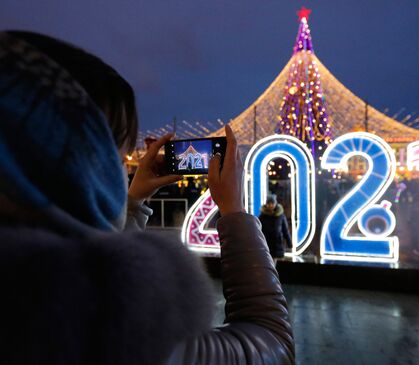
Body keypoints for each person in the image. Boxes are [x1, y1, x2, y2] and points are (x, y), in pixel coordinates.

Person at [0, 31, 294, 364]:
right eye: (116, 151)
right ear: (75, 158)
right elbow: (272, 344)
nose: (122, 164)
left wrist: (134, 202)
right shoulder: (105, 321)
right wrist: (234, 212)